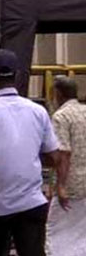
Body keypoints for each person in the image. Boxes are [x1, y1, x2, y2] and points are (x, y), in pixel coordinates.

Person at [0, 49, 62, 256]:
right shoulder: (37, 111)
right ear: (17, 76)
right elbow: (54, 157)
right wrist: (29, 154)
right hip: (31, 204)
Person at [46, 77, 86, 256]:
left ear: (58, 93)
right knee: (81, 235)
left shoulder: (61, 116)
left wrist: (60, 186)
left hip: (71, 183)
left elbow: (63, 153)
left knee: (58, 234)